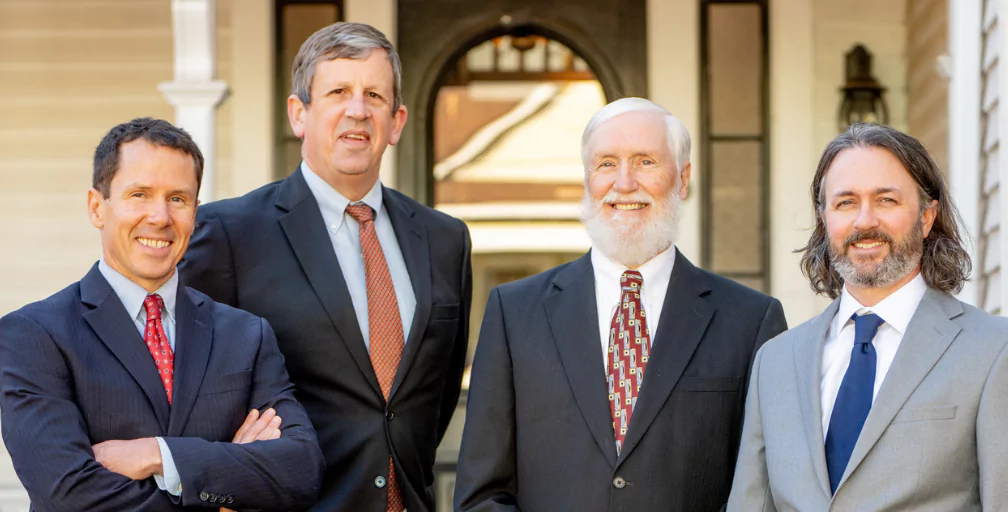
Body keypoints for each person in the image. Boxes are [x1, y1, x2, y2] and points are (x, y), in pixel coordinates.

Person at [179, 22, 472, 512]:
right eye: (338, 91)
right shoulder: (229, 233)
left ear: (397, 121)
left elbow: (431, 401)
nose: (357, 110)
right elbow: (188, 391)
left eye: (374, 96)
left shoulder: (444, 240)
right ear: (299, 113)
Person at [453, 98, 788, 511]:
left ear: (682, 180)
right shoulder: (514, 313)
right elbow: (481, 495)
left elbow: (765, 491)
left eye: (646, 161)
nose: (624, 183)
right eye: (606, 163)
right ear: (587, 179)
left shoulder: (751, 321)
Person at [0, 117, 324, 511]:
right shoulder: (33, 335)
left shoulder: (246, 335)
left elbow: (300, 470)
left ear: (195, 212)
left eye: (178, 198)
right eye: (139, 194)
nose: (160, 217)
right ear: (96, 208)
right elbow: (67, 494)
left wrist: (160, 455)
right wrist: (223, 492)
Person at [728, 123, 1008, 510]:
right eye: (845, 202)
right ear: (824, 219)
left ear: (927, 217)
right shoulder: (776, 361)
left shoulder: (994, 351)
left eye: (886, 200)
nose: (864, 221)